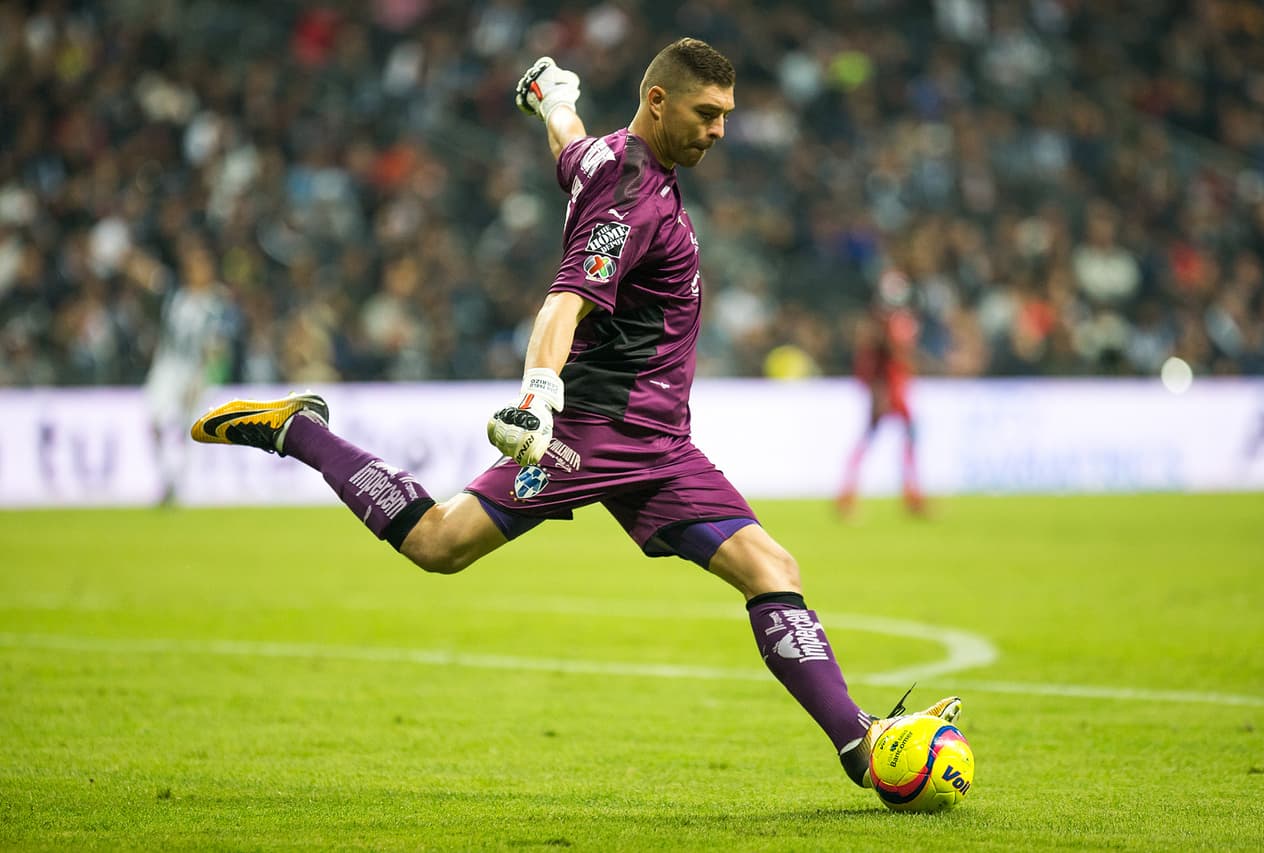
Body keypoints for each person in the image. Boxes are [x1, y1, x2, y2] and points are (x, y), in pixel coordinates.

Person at [190, 39, 959, 790]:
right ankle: (302, 429)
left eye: (726, 113)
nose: (720, 129)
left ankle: (861, 748)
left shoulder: (611, 159)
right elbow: (567, 298)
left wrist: (556, 100)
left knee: (772, 569)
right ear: (657, 101)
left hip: (662, 442)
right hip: (598, 428)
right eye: (707, 112)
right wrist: (538, 395)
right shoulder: (629, 195)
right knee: (439, 543)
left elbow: (570, 147)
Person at [141, 237, 235, 505]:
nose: (196, 270)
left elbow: (218, 347)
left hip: (194, 370)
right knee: (154, 420)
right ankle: (164, 475)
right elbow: (164, 334)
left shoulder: (216, 305)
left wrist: (204, 379)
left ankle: (178, 482)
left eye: (201, 265)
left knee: (187, 426)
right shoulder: (176, 298)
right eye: (192, 265)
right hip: (167, 366)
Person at [836, 266, 927, 518]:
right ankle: (849, 494)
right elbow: (882, 360)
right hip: (889, 390)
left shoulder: (888, 324)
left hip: (895, 388)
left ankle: (910, 496)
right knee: (884, 438)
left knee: (897, 438)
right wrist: (878, 392)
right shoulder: (883, 327)